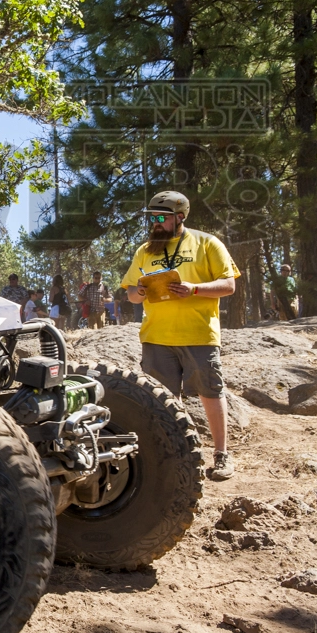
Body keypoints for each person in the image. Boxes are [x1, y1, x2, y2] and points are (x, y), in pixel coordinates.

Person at [123, 191, 239, 481]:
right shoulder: (144, 251)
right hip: (156, 338)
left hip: (199, 334)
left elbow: (228, 285)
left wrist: (194, 289)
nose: (156, 223)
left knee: (210, 391)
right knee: (160, 399)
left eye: (161, 218)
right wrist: (137, 292)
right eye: (152, 218)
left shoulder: (207, 243)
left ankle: (221, 455)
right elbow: (130, 295)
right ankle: (170, 457)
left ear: (180, 217)